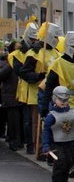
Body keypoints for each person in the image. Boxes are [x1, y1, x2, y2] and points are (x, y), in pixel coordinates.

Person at [42, 31, 74, 166]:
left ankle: (73, 156)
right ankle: (62, 159)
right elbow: (49, 86)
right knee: (62, 132)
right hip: (64, 102)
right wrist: (44, 107)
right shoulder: (58, 63)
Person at [19, 21, 63, 159]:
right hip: (37, 93)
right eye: (55, 37)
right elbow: (24, 72)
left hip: (53, 94)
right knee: (38, 123)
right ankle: (39, 150)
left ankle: (50, 149)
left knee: (51, 123)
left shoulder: (57, 53)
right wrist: (39, 76)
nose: (57, 40)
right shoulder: (35, 53)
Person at [41, 86, 74, 182]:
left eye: (65, 100)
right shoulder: (51, 116)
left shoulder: (72, 112)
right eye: (60, 99)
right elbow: (46, 131)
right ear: (54, 99)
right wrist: (45, 145)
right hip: (56, 143)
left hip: (69, 142)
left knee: (69, 162)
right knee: (60, 162)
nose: (63, 102)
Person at [9, 23, 38, 154]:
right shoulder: (16, 55)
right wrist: (35, 76)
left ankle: (37, 144)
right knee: (27, 120)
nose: (34, 42)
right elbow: (20, 71)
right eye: (32, 39)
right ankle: (29, 144)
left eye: (35, 40)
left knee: (36, 121)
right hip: (25, 90)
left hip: (37, 89)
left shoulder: (38, 52)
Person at [0, 40, 22, 151]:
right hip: (11, 96)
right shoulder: (9, 63)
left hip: (21, 96)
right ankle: (13, 141)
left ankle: (18, 141)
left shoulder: (22, 62)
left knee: (18, 121)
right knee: (13, 121)